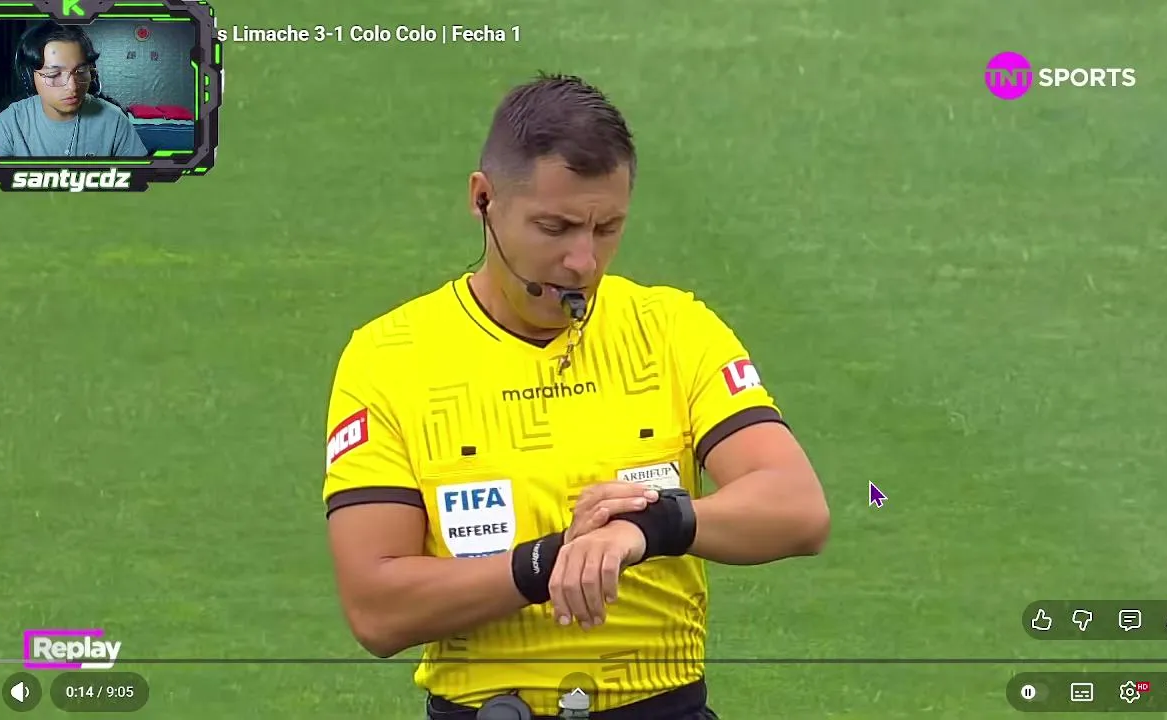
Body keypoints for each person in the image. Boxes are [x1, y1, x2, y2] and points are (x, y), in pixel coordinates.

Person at [322, 73, 831, 720]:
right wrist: (548, 563)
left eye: (607, 227)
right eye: (555, 227)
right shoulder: (391, 357)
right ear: (483, 200)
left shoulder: (672, 330)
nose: (584, 262)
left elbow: (797, 507)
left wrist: (651, 528)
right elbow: (377, 609)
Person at [0, 22, 147, 158]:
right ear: (30, 77)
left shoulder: (114, 120)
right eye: (54, 74)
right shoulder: (12, 120)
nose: (72, 87)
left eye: (81, 71)